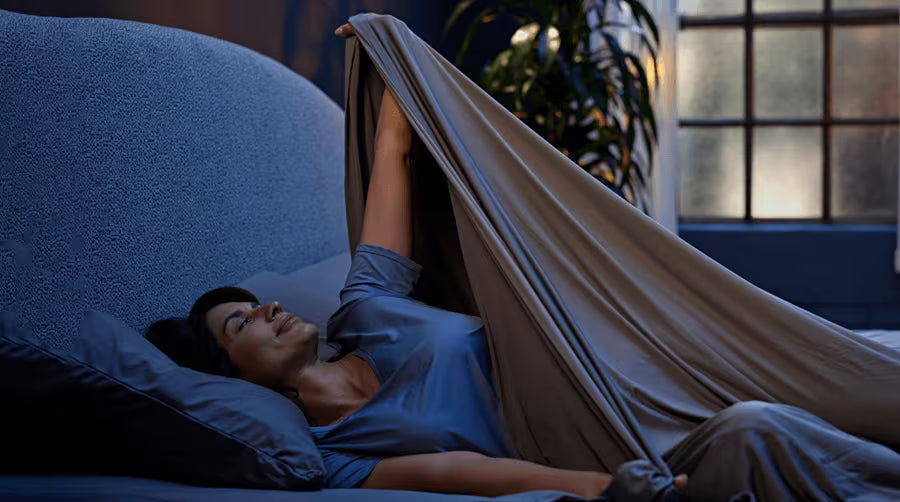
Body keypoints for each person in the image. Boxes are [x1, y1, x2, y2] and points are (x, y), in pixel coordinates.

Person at [145, 22, 900, 501]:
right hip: (609, 451)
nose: (271, 308)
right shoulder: (332, 452)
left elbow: (397, 152)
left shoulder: (366, 308)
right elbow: (456, 474)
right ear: (235, 377)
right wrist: (605, 489)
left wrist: (390, 50)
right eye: (242, 321)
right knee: (755, 430)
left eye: (259, 300)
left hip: (616, 390)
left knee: (786, 408)